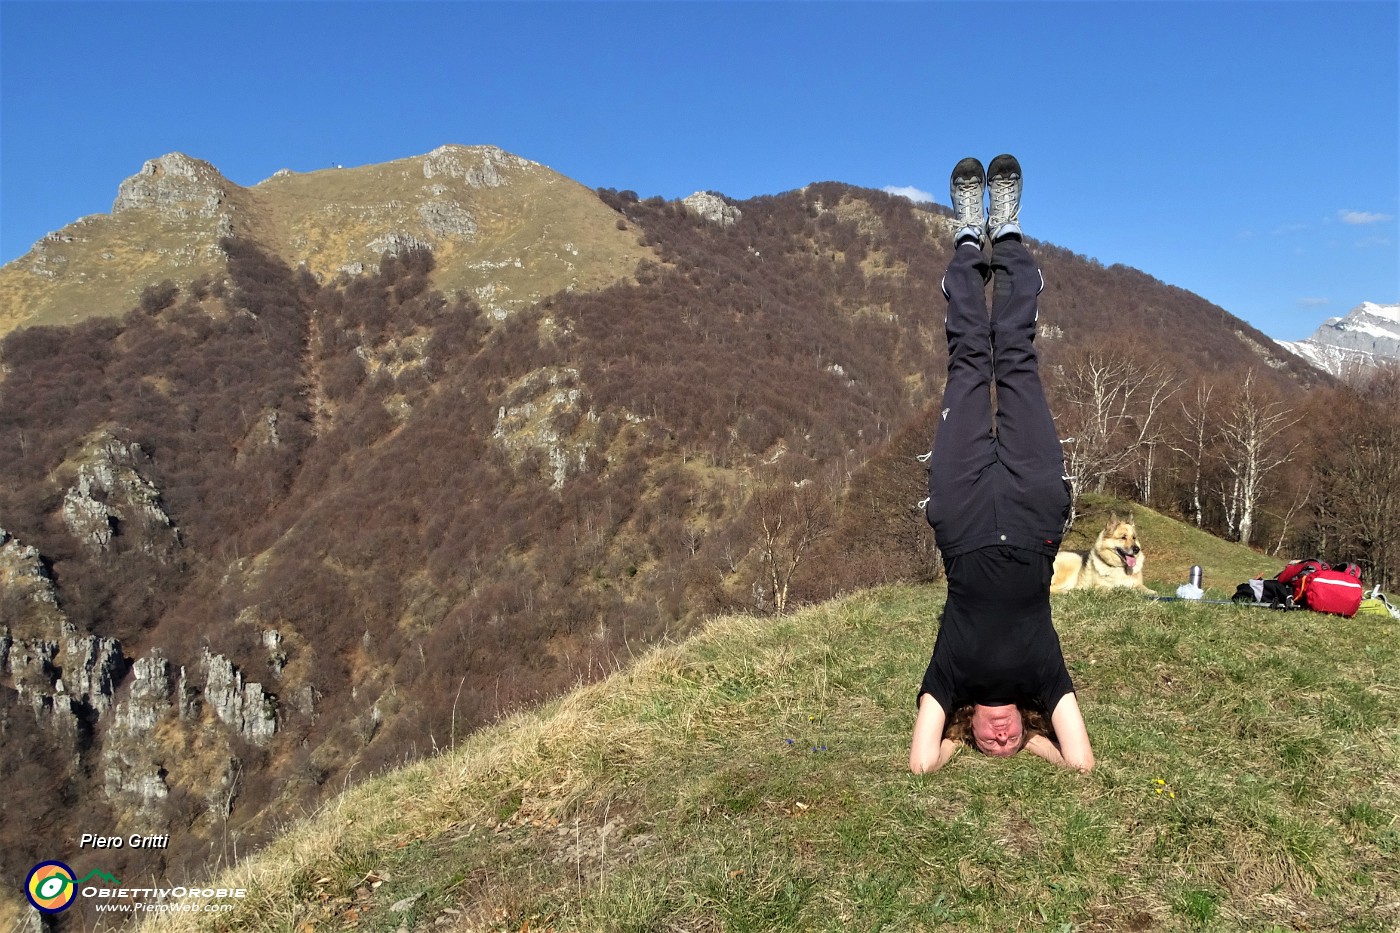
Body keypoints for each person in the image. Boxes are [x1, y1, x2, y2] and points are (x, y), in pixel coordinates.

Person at [908, 155, 1095, 774]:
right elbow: (1083, 763)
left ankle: (967, 238)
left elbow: (920, 764)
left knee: (967, 360)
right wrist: (1043, 743)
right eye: (1008, 742)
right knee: (1014, 359)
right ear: (1023, 726)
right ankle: (1008, 233)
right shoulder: (1043, 678)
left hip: (960, 516)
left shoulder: (951, 681)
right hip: (1035, 508)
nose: (998, 739)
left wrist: (956, 737)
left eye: (989, 744)